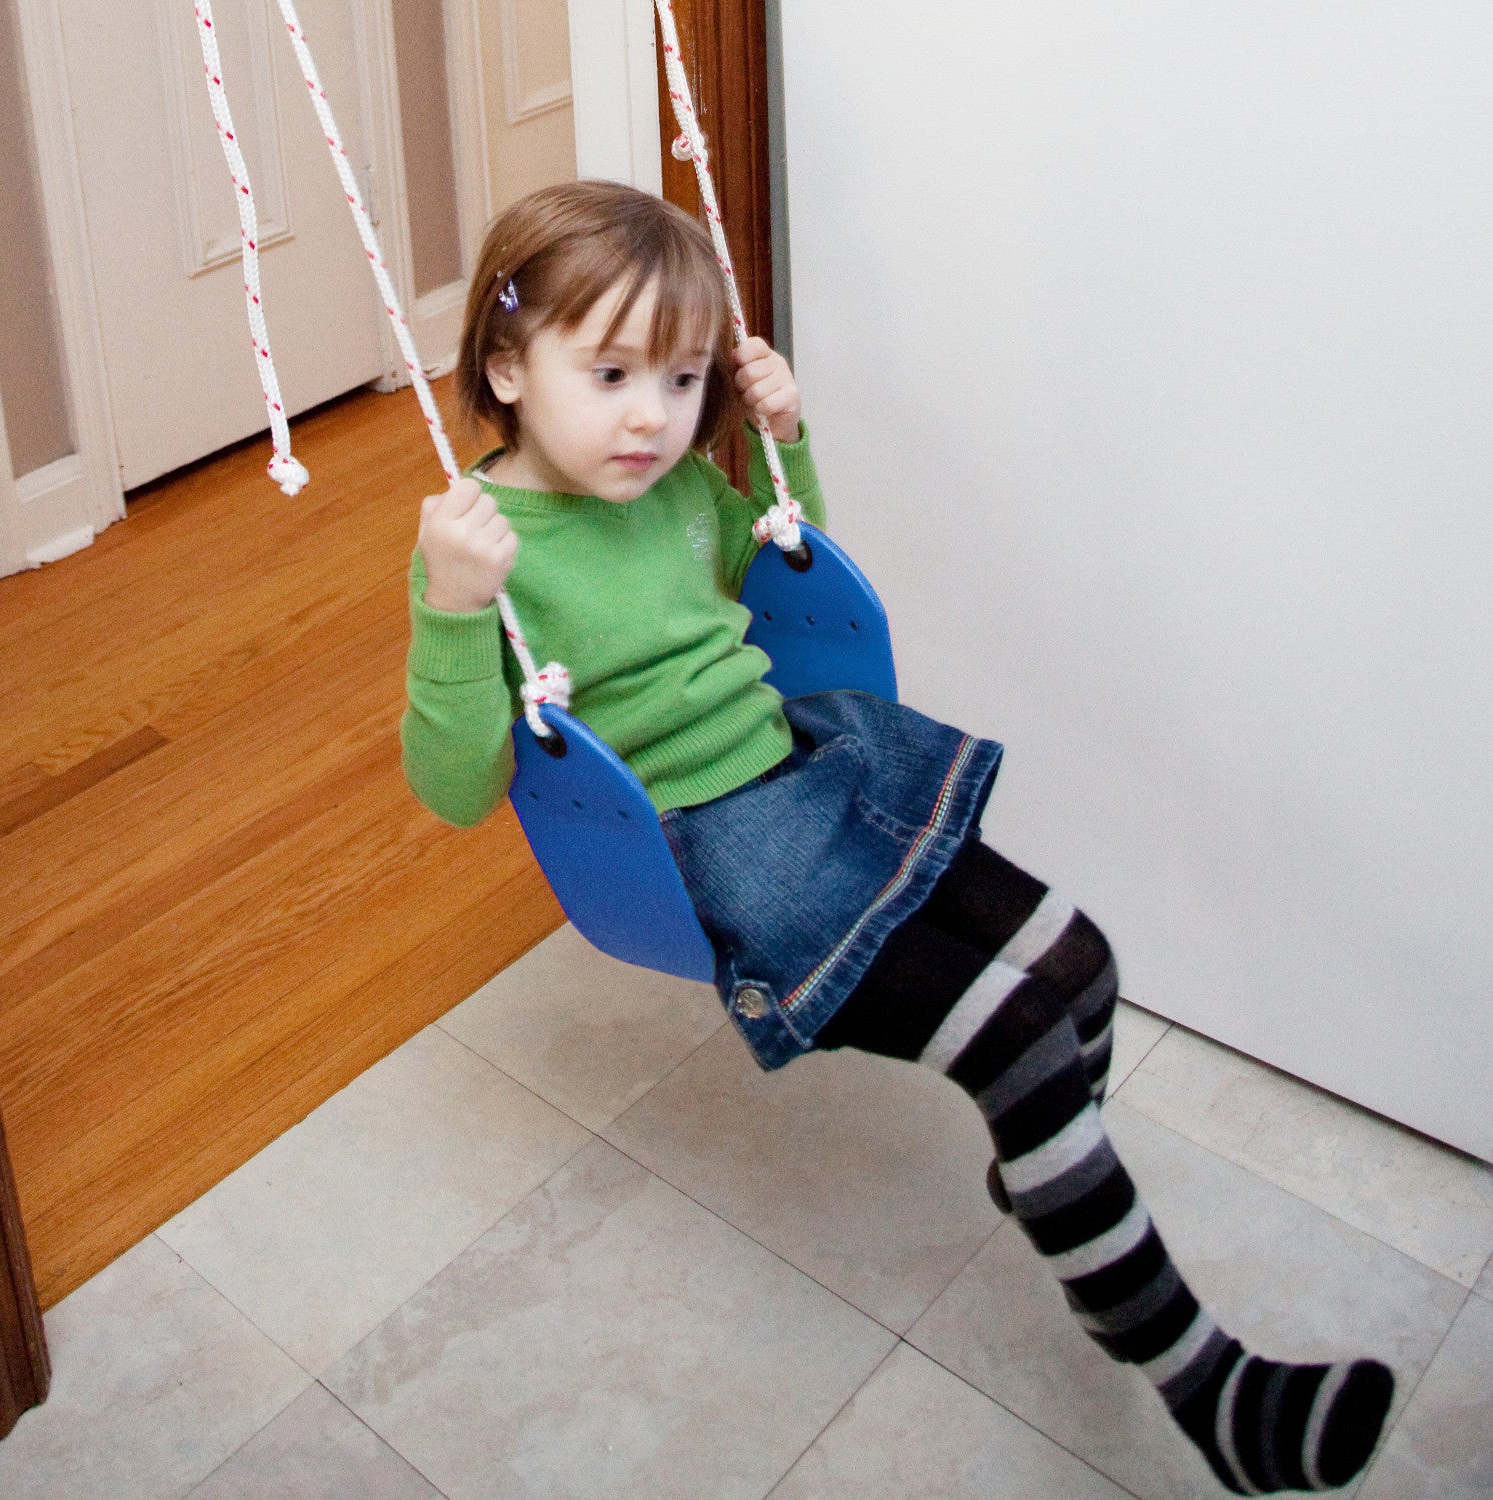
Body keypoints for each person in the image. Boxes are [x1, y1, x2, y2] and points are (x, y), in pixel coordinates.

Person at [400, 179, 1394, 1495]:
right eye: (613, 371)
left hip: (821, 773)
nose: (655, 414)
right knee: (1021, 1044)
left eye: (686, 377)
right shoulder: (485, 553)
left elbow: (775, 565)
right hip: (723, 854)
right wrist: (460, 615)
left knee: (1082, 963)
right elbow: (457, 786)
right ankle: (1209, 1387)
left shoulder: (681, 483)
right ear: (510, 367)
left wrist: (785, 443)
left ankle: (1047, 1181)